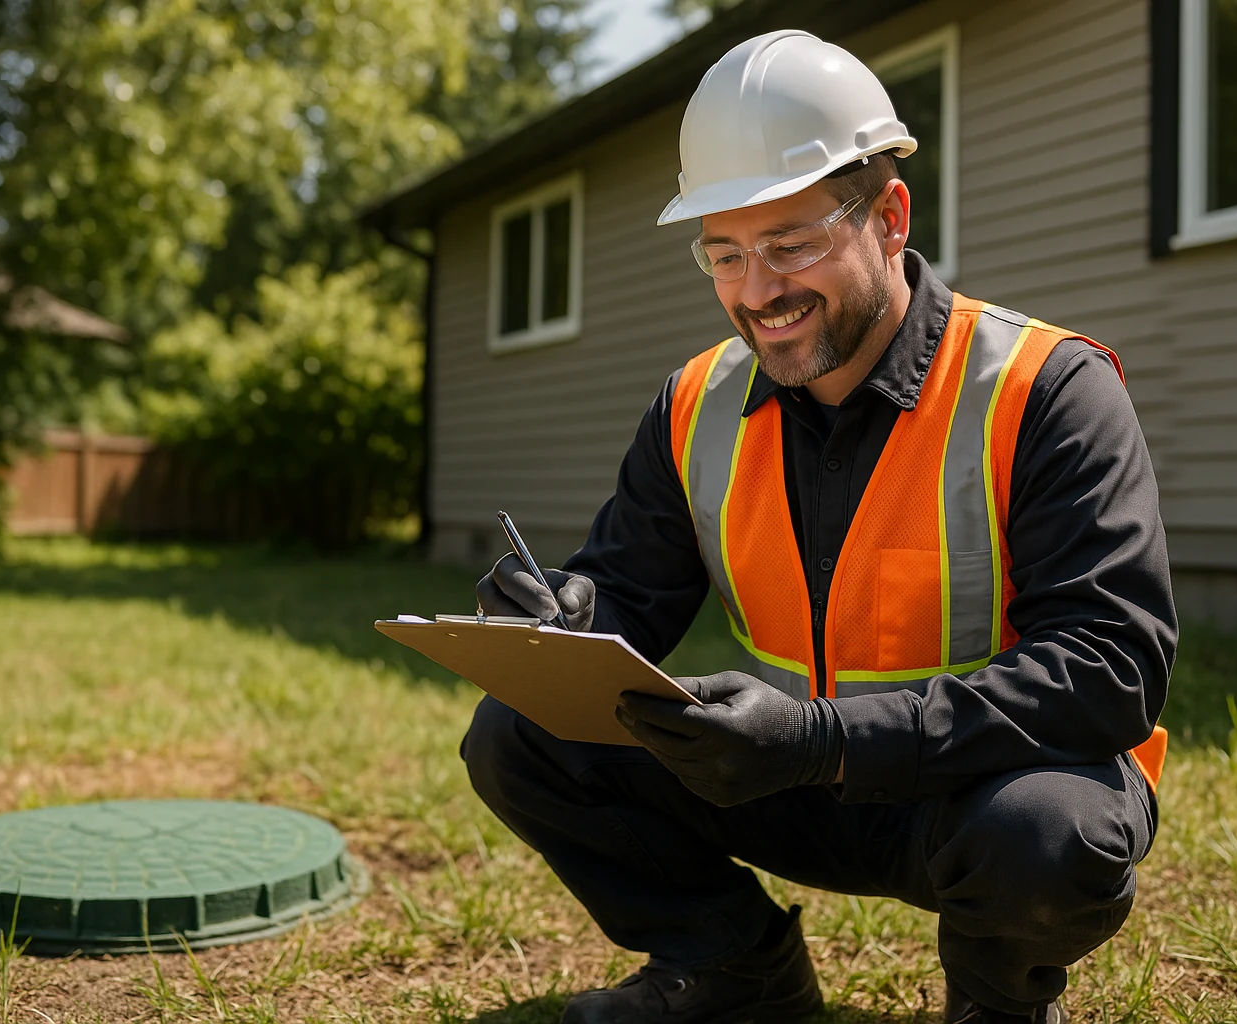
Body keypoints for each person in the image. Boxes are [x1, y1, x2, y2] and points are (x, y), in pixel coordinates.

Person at [464, 29, 1175, 1024]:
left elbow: (1109, 672)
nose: (758, 292)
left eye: (791, 244)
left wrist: (821, 739)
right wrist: (569, 612)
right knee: (519, 735)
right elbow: (631, 590)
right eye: (724, 253)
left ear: (889, 217)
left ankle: (994, 1003)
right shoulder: (694, 403)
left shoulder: (1046, 389)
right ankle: (735, 972)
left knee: (1047, 834)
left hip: (981, 789)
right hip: (781, 778)